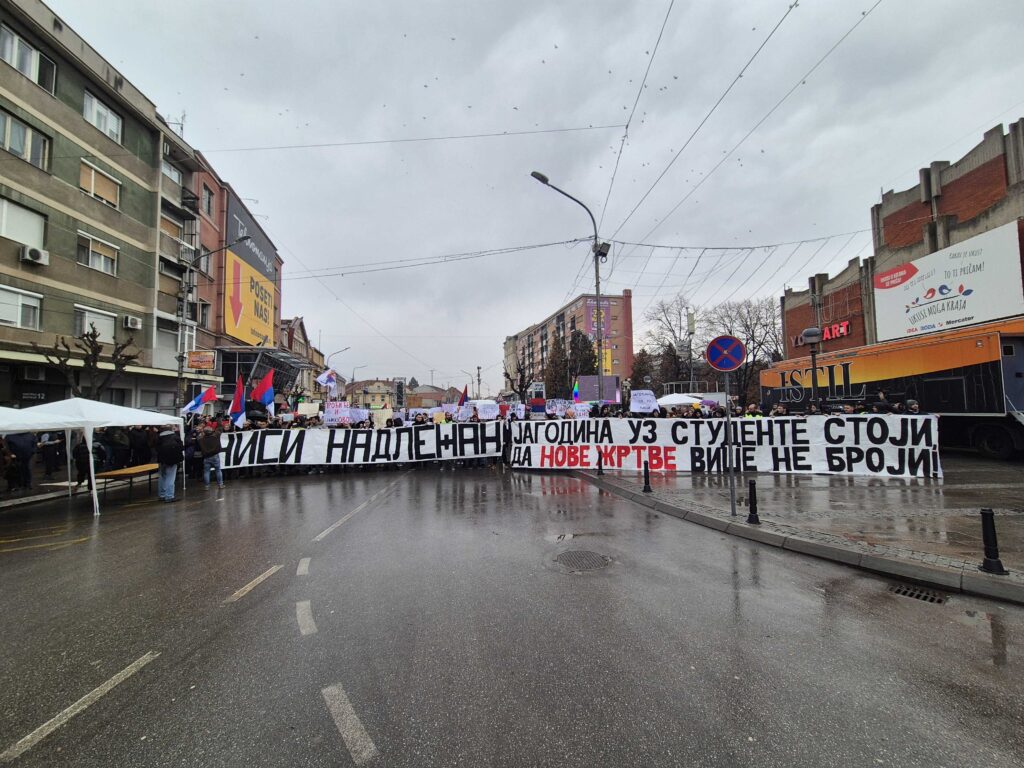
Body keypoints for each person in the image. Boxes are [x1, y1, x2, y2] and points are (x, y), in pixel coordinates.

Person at [155, 426, 184, 503]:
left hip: (162, 460)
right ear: (171, 430)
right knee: (170, 478)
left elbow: (156, 448)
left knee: (162, 477)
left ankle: (162, 495)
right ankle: (169, 496)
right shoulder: (175, 437)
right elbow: (181, 447)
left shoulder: (159, 437)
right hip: (172, 459)